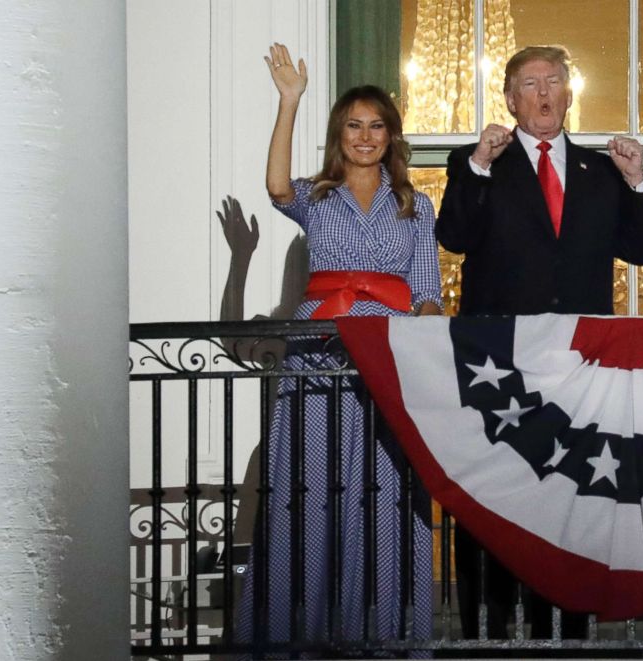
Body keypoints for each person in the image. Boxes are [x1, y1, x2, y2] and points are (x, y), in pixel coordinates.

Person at [435, 45, 643, 640]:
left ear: (567, 95)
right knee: (494, 496)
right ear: (509, 99)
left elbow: (640, 249)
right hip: (500, 372)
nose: (542, 92)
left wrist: (639, 182)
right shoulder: (478, 162)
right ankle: (485, 635)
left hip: (578, 371)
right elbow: (453, 235)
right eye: (529, 83)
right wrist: (480, 164)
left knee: (570, 496)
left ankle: (564, 637)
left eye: (553, 81)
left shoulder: (601, 172)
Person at [236, 43, 441, 651]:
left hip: (384, 363)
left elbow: (426, 291)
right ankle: (293, 636)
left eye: (376, 125)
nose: (365, 135)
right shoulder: (316, 197)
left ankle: (384, 636)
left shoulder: (414, 205)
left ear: (391, 137)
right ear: (339, 135)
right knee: (310, 492)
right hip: (317, 361)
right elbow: (275, 187)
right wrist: (289, 101)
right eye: (353, 125)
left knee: (384, 497)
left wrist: (429, 342)